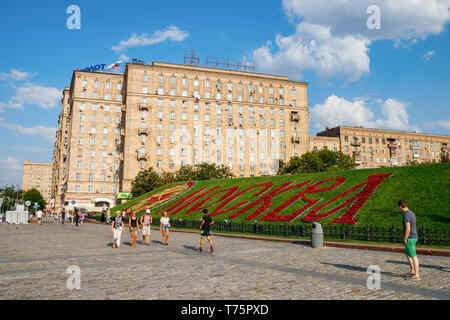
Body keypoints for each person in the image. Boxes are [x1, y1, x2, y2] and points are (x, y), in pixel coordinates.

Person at [398, 200, 420, 280]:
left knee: (413, 256)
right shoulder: (412, 213)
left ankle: (417, 275)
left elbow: (408, 229)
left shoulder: (406, 215)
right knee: (407, 253)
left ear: (400, 206)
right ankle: (412, 270)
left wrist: (405, 238)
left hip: (410, 237)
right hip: (413, 236)